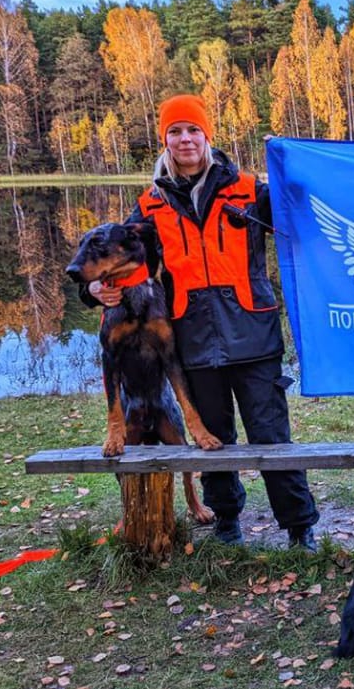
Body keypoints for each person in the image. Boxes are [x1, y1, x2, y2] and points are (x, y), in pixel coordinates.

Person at [84, 93, 319, 549]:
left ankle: (299, 528)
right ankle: (227, 521)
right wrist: (93, 289)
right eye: (176, 131)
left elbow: (302, 207)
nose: (185, 138)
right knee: (213, 438)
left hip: (254, 334)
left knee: (272, 438)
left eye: (193, 130)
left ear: (207, 137)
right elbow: (114, 255)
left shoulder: (248, 190)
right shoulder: (150, 206)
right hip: (191, 341)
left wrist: (288, 159)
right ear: (165, 141)